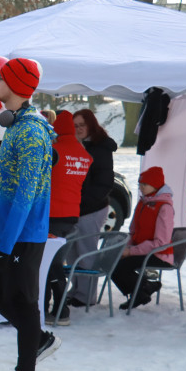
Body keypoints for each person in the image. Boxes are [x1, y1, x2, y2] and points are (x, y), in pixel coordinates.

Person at [0, 58, 58, 371]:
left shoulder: (32, 131)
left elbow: (26, 194)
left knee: (24, 302)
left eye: (1, 78)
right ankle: (35, 337)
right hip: (7, 228)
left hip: (24, 234)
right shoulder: (16, 125)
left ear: (16, 84)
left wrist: (5, 243)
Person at [44, 111, 92, 326]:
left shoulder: (54, 151)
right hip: (71, 216)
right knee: (52, 262)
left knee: (50, 264)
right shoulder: (84, 155)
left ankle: (61, 311)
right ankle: (46, 308)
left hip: (52, 215)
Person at [68, 108, 118, 306]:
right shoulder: (75, 145)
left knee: (86, 253)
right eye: (75, 126)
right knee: (72, 253)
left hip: (92, 208)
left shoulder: (100, 148)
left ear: (91, 125)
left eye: (82, 125)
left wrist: (84, 202)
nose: (78, 129)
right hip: (74, 208)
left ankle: (87, 296)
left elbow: (104, 183)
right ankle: (76, 289)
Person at [111, 166, 174, 310]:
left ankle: (142, 288)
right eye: (140, 184)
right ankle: (141, 291)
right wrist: (126, 247)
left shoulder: (164, 207)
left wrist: (130, 252)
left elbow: (161, 242)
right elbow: (133, 231)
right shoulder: (143, 202)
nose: (141, 187)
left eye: (144, 184)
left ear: (155, 185)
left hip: (159, 254)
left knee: (120, 267)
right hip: (142, 250)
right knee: (113, 262)